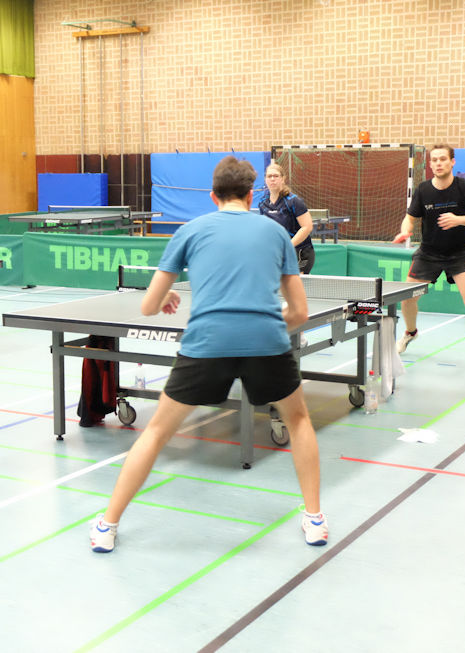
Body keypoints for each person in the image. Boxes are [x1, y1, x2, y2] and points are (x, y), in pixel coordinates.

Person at [89, 156, 328, 553]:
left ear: (213, 196)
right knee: (299, 421)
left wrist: (166, 296)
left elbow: (148, 306)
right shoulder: (276, 233)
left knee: (156, 432)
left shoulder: (190, 230)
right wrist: (265, 328)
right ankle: (316, 520)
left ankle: (107, 525)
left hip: (206, 344)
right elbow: (299, 313)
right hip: (266, 343)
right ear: (251, 195)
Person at [393, 144, 465, 372]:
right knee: (407, 299)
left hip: (458, 254)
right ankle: (410, 332)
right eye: (434, 160)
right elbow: (410, 218)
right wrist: (406, 230)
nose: (438, 163)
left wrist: (458, 220)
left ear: (452, 162)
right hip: (428, 253)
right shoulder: (423, 190)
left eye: (443, 159)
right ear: (430, 164)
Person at [257, 162, 315, 273]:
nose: (272, 179)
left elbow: (307, 227)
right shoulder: (262, 203)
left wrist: (287, 246)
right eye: (269, 176)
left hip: (299, 253)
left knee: (295, 283)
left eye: (276, 176)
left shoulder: (294, 201)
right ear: (265, 180)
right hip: (277, 254)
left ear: (283, 179)